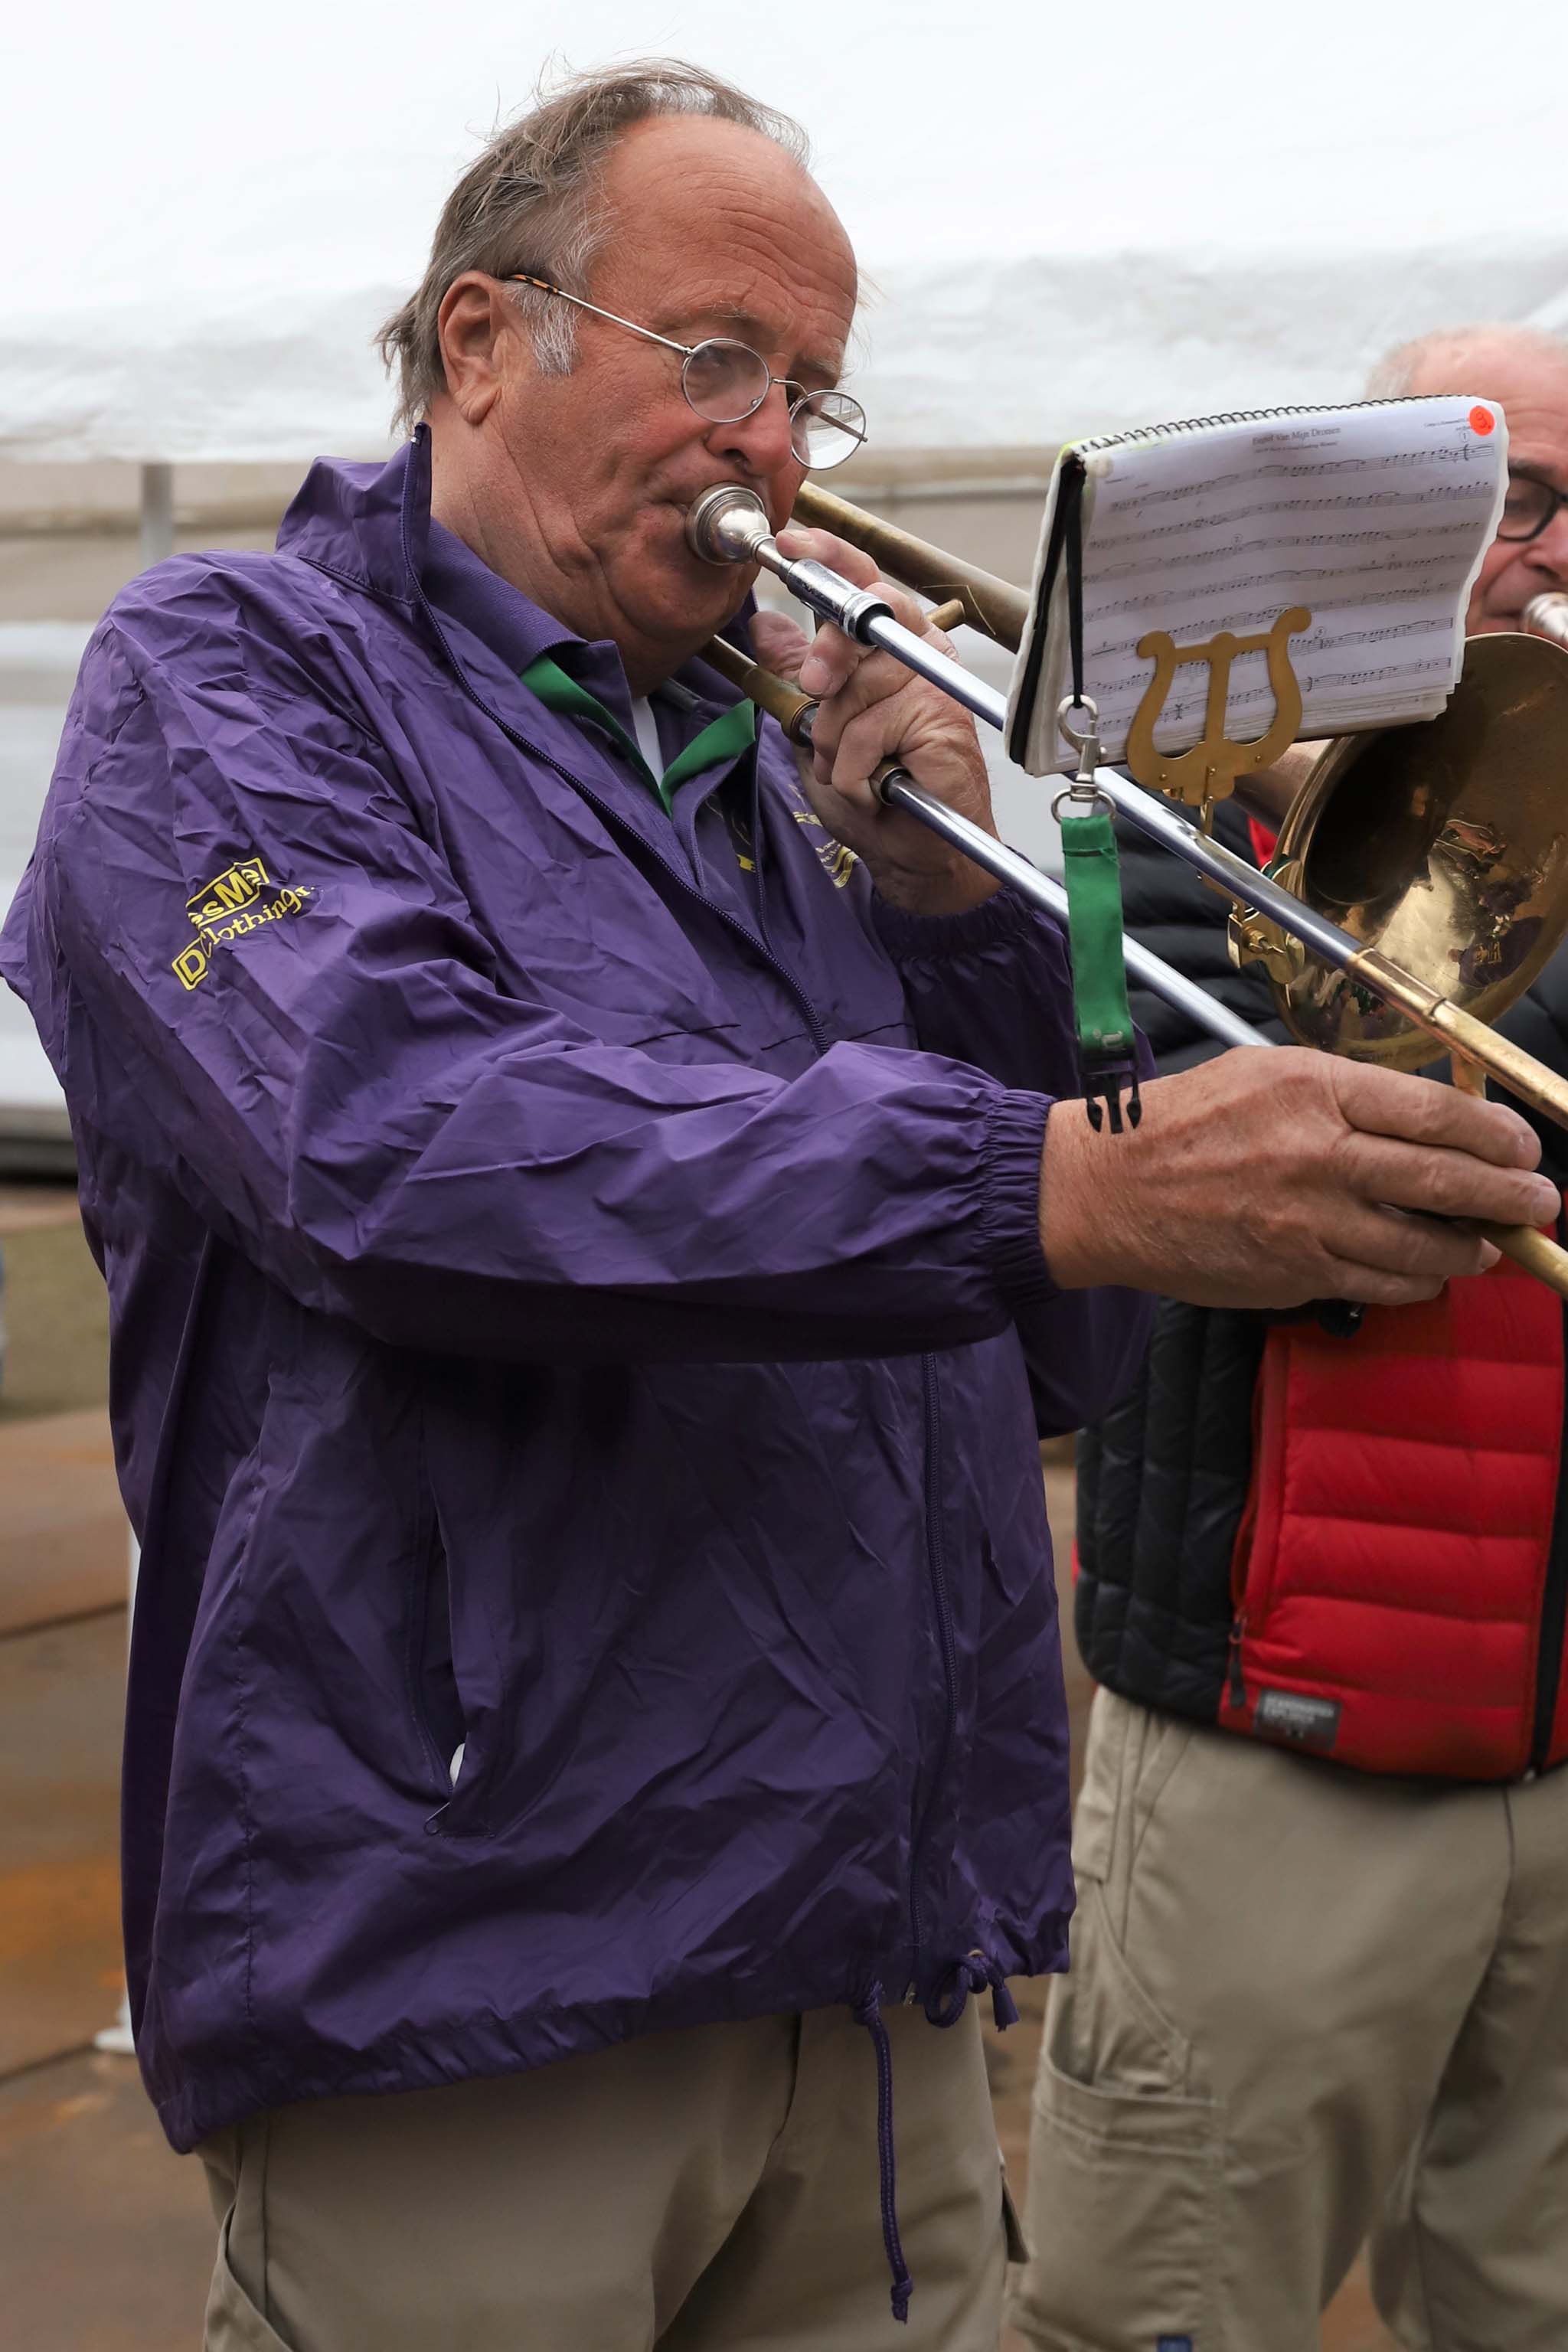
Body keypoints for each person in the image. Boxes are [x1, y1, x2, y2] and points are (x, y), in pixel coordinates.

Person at [1, 67, 1553, 2350]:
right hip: (480, 1941)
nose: (773, 444)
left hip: (872, 1949)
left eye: (808, 388)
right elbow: (402, 1144)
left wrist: (947, 905)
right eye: (712, 359)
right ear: (476, 344)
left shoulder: (788, 762)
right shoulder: (228, 682)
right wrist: (1048, 1172)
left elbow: (1069, 1343)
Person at [1012, 324, 1568, 2352]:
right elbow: (1182, 1123)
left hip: (1564, 1733)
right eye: (1497, 496)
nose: (1534, 549)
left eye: (1564, 507)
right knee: (1170, 2305)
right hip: (1282, 1736)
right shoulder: (1175, 788)